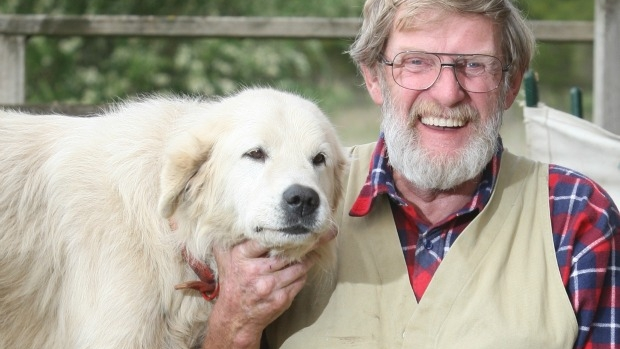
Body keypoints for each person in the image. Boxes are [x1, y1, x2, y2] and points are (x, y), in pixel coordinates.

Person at [202, 0, 620, 348]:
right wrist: (232, 325)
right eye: (416, 62)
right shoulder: (283, 197)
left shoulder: (574, 216)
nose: (447, 93)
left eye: (475, 65)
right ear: (374, 76)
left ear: (510, 84)